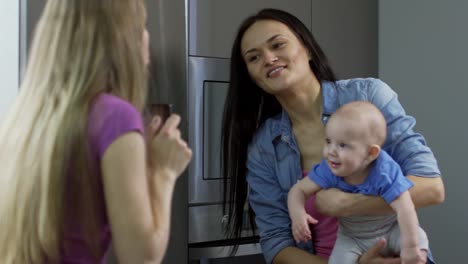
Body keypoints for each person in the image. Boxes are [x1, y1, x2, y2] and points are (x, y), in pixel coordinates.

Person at [220, 8, 444, 264]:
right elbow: (276, 244)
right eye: (254, 57)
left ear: (307, 49)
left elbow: (431, 188)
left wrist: (347, 204)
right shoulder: (263, 147)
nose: (269, 58)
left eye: (278, 45)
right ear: (252, 77)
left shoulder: (368, 97)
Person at [0, 0, 192, 263]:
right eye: (142, 26)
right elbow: (140, 258)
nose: (146, 37)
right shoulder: (116, 116)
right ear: (121, 38)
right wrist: (164, 172)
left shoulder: (23, 119)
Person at [288, 101, 428, 264]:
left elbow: (405, 207)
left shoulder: (384, 171)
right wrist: (297, 214)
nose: (331, 151)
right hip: (351, 238)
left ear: (371, 153)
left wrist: (410, 247)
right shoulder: (330, 168)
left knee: (419, 237)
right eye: (328, 141)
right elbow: (298, 190)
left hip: (390, 231)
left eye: (342, 145)